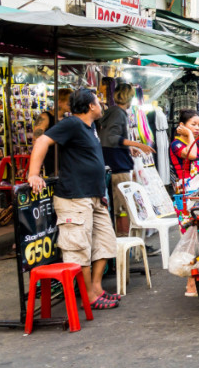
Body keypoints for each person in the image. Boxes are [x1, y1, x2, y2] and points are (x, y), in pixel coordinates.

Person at [27, 88, 119, 310]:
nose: (101, 105)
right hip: (74, 198)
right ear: (90, 106)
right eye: (98, 101)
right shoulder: (72, 124)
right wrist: (33, 174)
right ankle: (88, 295)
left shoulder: (91, 127)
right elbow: (41, 141)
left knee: (105, 243)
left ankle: (96, 288)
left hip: (94, 197)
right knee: (79, 248)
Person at [100, 83, 154, 235]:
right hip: (118, 166)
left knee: (121, 207)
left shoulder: (112, 112)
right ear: (130, 97)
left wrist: (128, 147)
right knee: (123, 208)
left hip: (115, 163)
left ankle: (123, 242)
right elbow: (112, 137)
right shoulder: (118, 113)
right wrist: (138, 144)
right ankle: (123, 240)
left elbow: (109, 138)